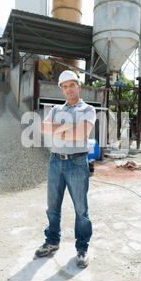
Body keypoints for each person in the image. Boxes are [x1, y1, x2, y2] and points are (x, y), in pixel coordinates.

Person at [37, 70, 96, 268]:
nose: (68, 89)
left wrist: (59, 130)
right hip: (55, 162)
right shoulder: (55, 110)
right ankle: (52, 241)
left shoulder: (88, 109)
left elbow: (81, 134)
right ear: (62, 90)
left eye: (72, 85)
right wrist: (67, 130)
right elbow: (43, 128)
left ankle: (82, 248)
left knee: (81, 210)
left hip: (77, 163)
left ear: (78, 87)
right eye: (64, 86)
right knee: (52, 206)